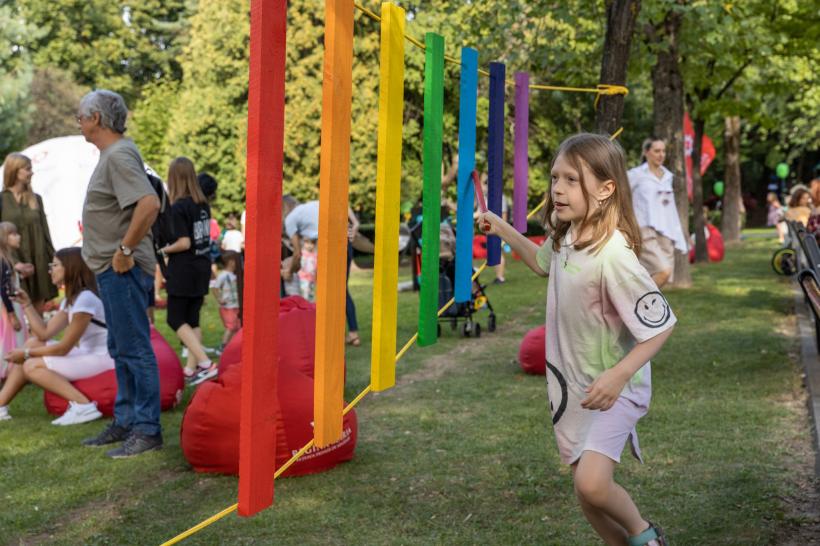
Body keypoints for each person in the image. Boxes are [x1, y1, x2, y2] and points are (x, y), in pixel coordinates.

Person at [477, 133, 675, 546]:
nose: (558, 189)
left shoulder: (614, 255)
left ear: (606, 190)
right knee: (587, 495)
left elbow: (660, 325)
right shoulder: (566, 236)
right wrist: (503, 230)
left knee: (592, 485)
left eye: (571, 179)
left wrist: (619, 376)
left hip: (615, 388)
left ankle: (646, 536)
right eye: (555, 178)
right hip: (574, 387)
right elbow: (540, 264)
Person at [78, 89, 163, 458]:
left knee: (134, 349)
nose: (78, 122)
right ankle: (127, 420)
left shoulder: (119, 155)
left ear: (96, 118)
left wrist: (124, 250)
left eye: (80, 116)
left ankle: (146, 429)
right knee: (121, 347)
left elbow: (149, 203)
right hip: (112, 270)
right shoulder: (115, 155)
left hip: (121, 269)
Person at [0, 248, 114, 425]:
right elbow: (44, 333)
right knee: (34, 342)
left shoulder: (85, 299)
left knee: (31, 365)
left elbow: (63, 349)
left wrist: (26, 354)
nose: (50, 270)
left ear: (70, 268)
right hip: (87, 354)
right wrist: (27, 304)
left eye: (54, 265)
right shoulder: (71, 299)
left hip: (102, 357)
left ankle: (84, 406)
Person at [158, 157, 214, 384]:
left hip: (184, 268)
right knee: (193, 320)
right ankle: (192, 369)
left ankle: (205, 363)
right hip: (201, 266)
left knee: (174, 318)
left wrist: (162, 251)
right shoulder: (202, 204)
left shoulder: (179, 207)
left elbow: (184, 242)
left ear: (174, 178)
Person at [285, 201, 361, 346]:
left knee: (325, 292)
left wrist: (289, 271)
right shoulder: (315, 204)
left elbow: (297, 254)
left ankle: (329, 335)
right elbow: (342, 204)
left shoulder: (290, 219)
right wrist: (355, 223)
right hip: (344, 243)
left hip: (328, 246)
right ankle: (353, 334)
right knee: (341, 290)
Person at [627, 138, 688, 288]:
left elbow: (669, 207)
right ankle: (636, 302)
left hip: (666, 233)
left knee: (660, 277)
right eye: (656, 151)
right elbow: (618, 193)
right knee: (663, 271)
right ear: (647, 152)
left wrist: (679, 233)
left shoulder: (668, 176)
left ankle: (645, 309)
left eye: (663, 151)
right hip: (644, 230)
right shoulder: (635, 174)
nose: (661, 155)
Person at [1, 153, 58, 311]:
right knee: (15, 314)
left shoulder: (36, 199)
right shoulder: (1, 200)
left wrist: (55, 261)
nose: (31, 172)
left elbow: (46, 233)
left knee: (38, 315)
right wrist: (15, 263)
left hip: (37, 262)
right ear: (14, 171)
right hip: (12, 263)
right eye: (27, 169)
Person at [0, 222, 22, 373]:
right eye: (13, 234)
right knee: (10, 336)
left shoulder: (6, 259)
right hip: (8, 307)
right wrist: (12, 315)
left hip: (8, 306)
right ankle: (10, 369)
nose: (18, 236)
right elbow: (3, 288)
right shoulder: (3, 261)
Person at [212, 250, 241, 348]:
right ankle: (223, 346)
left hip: (236, 305)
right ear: (231, 262)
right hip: (228, 307)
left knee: (237, 327)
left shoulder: (236, 275)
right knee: (231, 327)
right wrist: (220, 299)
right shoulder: (223, 275)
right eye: (237, 260)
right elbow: (215, 288)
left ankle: (233, 346)